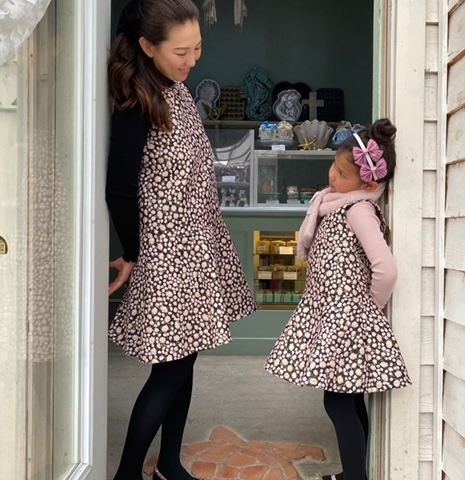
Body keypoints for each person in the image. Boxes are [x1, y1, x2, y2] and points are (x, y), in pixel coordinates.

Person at [106, 1, 256, 479]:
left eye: (198, 48)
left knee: (185, 359)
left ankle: (168, 463)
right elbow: (119, 188)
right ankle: (127, 473)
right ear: (148, 47)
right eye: (181, 51)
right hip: (169, 253)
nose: (192, 60)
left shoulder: (177, 89)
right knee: (170, 368)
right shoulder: (137, 101)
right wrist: (133, 252)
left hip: (196, 244)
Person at [264, 118, 412, 480]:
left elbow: (386, 269)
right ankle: (353, 473)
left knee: (337, 401)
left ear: (369, 184)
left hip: (347, 319)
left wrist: (366, 309)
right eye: (335, 166)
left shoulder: (358, 210)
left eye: (344, 174)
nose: (333, 176)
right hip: (333, 313)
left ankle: (355, 477)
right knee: (349, 397)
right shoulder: (332, 202)